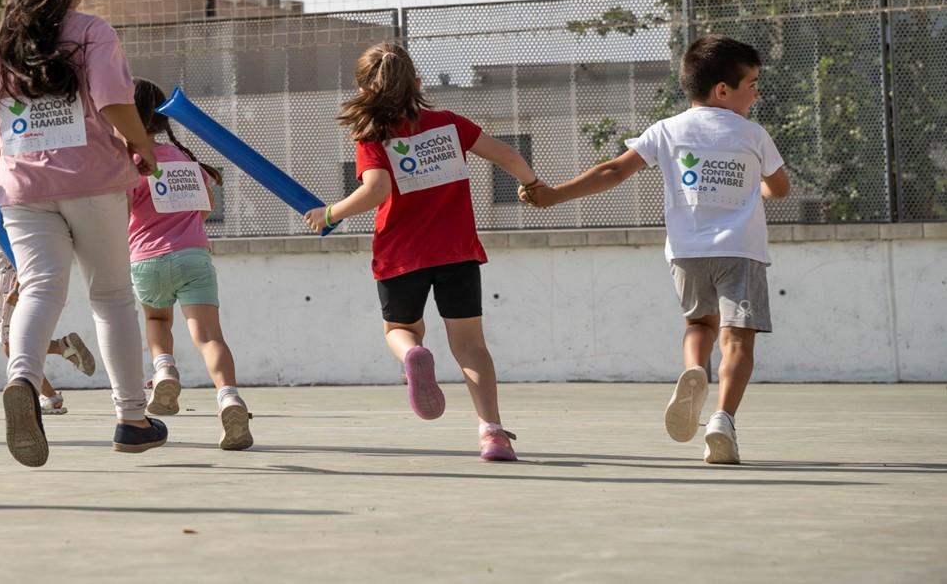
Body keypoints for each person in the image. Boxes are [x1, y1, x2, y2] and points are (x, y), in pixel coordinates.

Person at [523, 35, 788, 465]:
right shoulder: (754, 134)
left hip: (686, 252)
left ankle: (694, 371)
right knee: (738, 338)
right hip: (741, 251)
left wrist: (554, 195)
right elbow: (780, 187)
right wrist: (755, 188)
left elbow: (613, 171)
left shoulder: (666, 130)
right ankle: (723, 420)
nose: (757, 94)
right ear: (723, 90)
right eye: (752, 84)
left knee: (699, 324)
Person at [0, 0, 166, 467]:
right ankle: (131, 419)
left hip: (22, 192)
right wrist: (142, 144)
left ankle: (23, 380)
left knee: (40, 289)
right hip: (94, 182)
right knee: (112, 297)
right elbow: (114, 102)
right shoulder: (92, 32)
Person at [305, 42, 539, 461]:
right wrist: (531, 185)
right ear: (417, 82)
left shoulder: (373, 136)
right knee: (471, 346)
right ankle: (492, 433)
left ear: (365, 89)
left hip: (401, 254)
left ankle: (412, 354)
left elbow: (376, 189)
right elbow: (507, 154)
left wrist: (330, 213)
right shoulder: (449, 124)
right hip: (458, 252)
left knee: (399, 329)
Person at [128, 79, 252, 451]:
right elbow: (206, 208)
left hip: (147, 257)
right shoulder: (184, 159)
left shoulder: (130, 163)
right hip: (193, 254)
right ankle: (229, 397)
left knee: (157, 320)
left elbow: (119, 210)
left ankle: (164, 368)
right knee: (210, 337)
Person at [0, 232, 97, 413]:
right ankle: (51, 393)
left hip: (11, 281)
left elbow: (13, 241)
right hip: (7, 279)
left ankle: (60, 355)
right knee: (13, 343)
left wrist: (17, 287)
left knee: (10, 345)